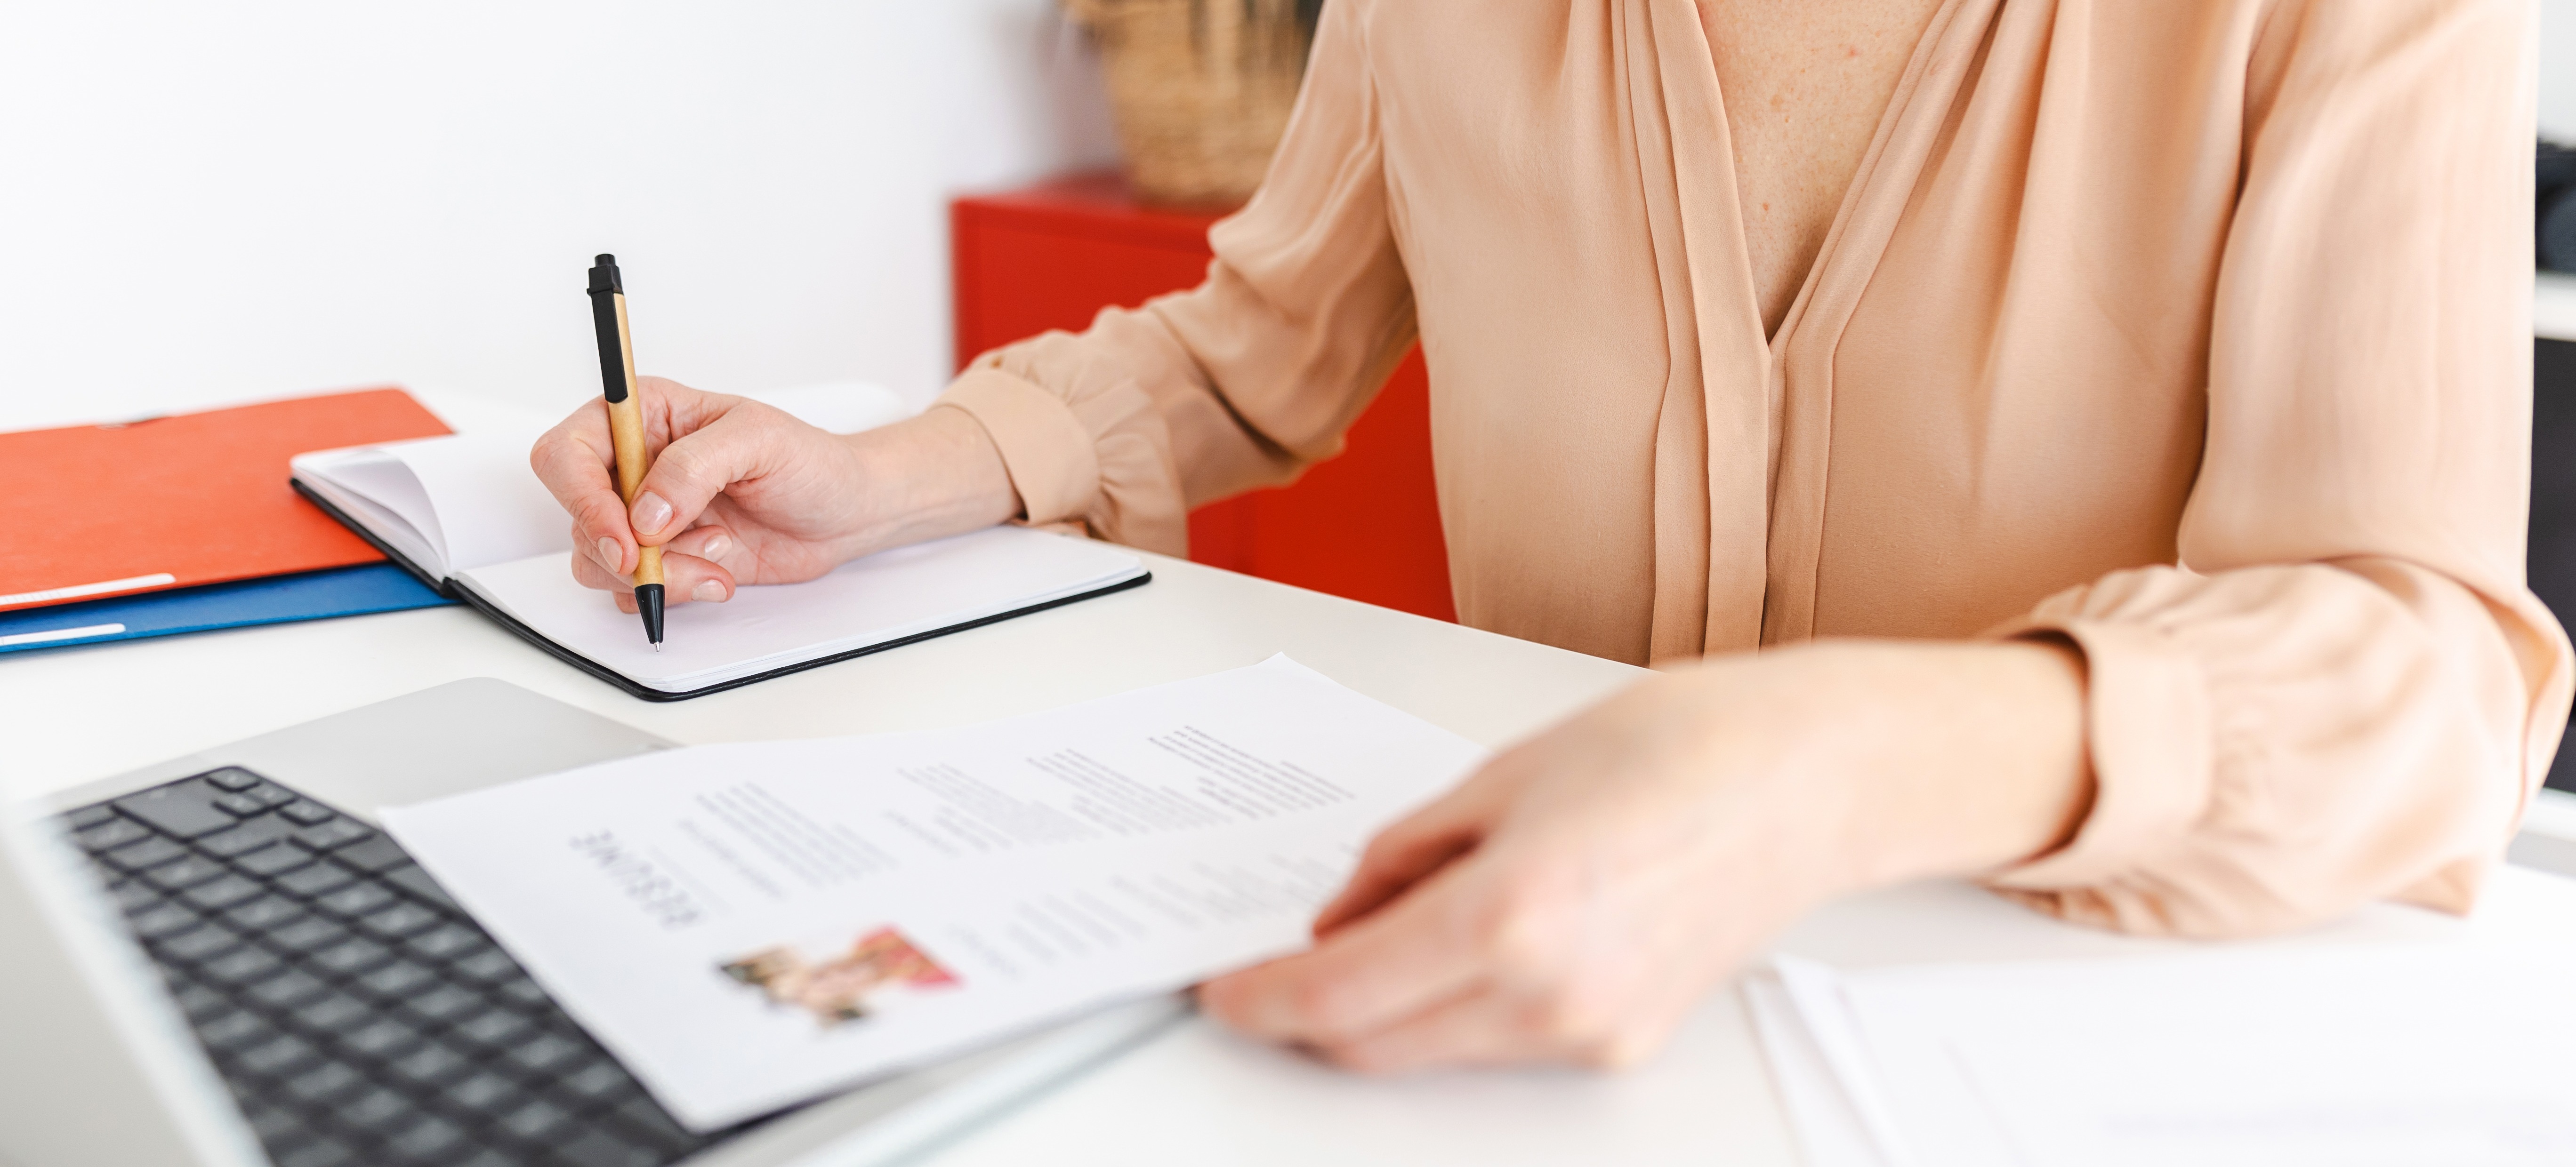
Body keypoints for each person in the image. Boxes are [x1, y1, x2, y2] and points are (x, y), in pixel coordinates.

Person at [533, 0, 2572, 1072]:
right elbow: (1256, 348)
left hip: (2054, 1023)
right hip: (1516, 1024)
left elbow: (2419, 653)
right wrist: (891, 470)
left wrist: (1832, 758)